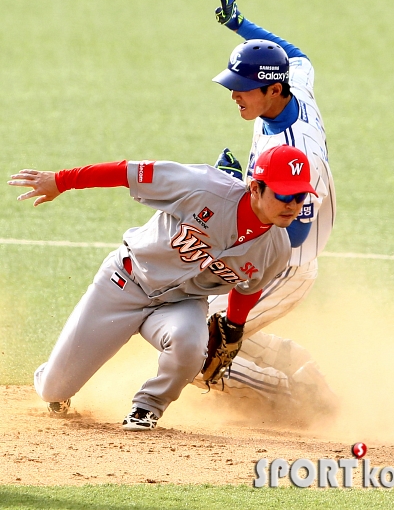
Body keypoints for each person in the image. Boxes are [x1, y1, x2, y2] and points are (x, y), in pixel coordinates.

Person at [8, 146, 318, 430]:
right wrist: (61, 181)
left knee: (190, 346)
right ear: (255, 188)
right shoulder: (202, 186)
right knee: (54, 390)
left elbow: (247, 290)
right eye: (282, 195)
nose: (291, 205)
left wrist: (234, 329)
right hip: (124, 283)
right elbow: (127, 172)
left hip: (181, 305)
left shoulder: (276, 249)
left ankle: (147, 407)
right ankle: (54, 376)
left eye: (299, 197)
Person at [192, 0, 337, 420]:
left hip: (286, 265)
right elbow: (298, 57)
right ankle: (299, 368)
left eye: (243, 87)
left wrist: (241, 188)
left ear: (274, 91)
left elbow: (291, 228)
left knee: (201, 343)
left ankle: (294, 396)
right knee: (191, 316)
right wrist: (241, 25)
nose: (234, 94)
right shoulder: (291, 92)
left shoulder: (300, 153)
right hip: (264, 249)